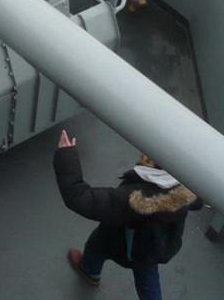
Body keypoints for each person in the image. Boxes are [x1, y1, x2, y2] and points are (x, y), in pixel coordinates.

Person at [54, 129, 202, 300]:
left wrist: (66, 155)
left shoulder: (133, 200)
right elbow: (198, 203)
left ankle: (89, 271)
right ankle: (89, 269)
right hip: (155, 245)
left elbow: (79, 198)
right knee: (147, 279)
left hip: (123, 239)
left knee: (97, 245)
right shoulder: (187, 191)